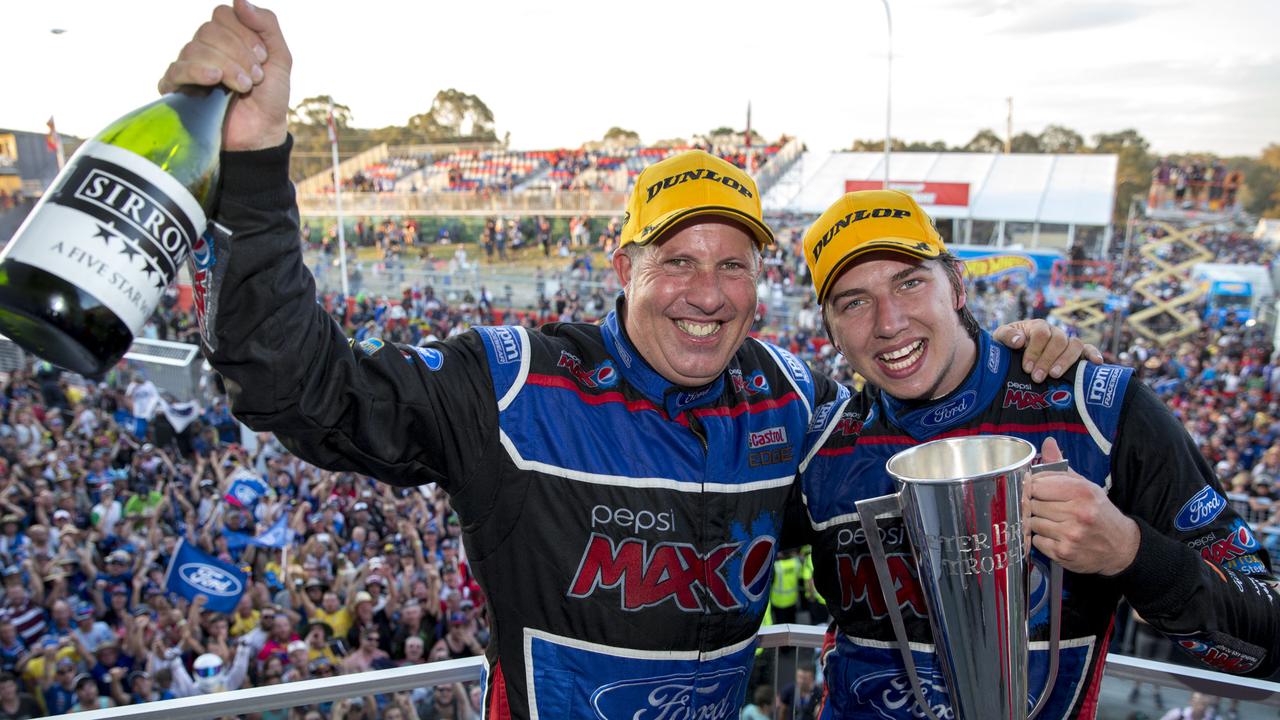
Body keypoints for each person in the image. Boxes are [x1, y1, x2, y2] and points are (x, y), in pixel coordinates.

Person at [158, 4, 1087, 716]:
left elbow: (909, 443)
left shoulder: (791, 396)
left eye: (732, 265)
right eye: (676, 261)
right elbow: (294, 382)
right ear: (623, 270)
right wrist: (249, 166)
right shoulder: (514, 384)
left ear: (760, 282)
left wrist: (1015, 359)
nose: (707, 292)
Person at [795, 190, 1280, 719]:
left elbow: (1265, 636)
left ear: (956, 286)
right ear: (832, 333)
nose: (888, 322)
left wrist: (1131, 552)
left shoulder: (1098, 411)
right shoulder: (820, 442)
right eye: (854, 302)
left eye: (909, 282)